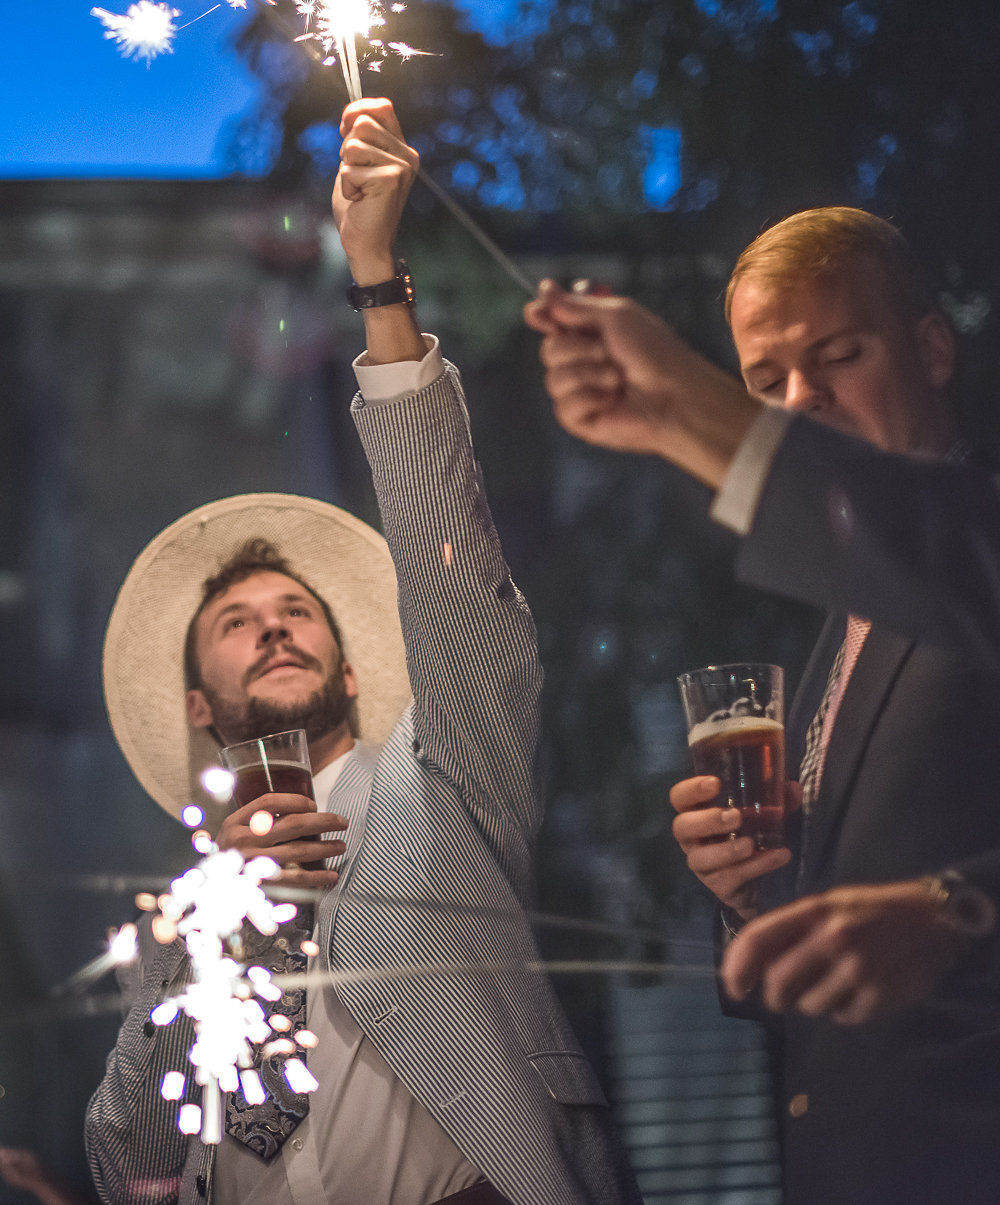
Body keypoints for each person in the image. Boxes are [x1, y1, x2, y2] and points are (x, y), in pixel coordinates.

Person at [85, 99, 642, 1205]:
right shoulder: (189, 901)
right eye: (237, 624)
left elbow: (454, 578)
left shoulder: (446, 777)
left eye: (296, 610)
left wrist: (378, 281)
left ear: (350, 670)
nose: (273, 625)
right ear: (202, 700)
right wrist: (204, 927)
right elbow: (130, 1157)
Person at [526, 207, 1000, 1204]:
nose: (800, 400)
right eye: (765, 381)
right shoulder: (839, 619)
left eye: (837, 355)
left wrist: (960, 912)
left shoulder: (973, 546)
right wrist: (752, 892)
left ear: (930, 348)